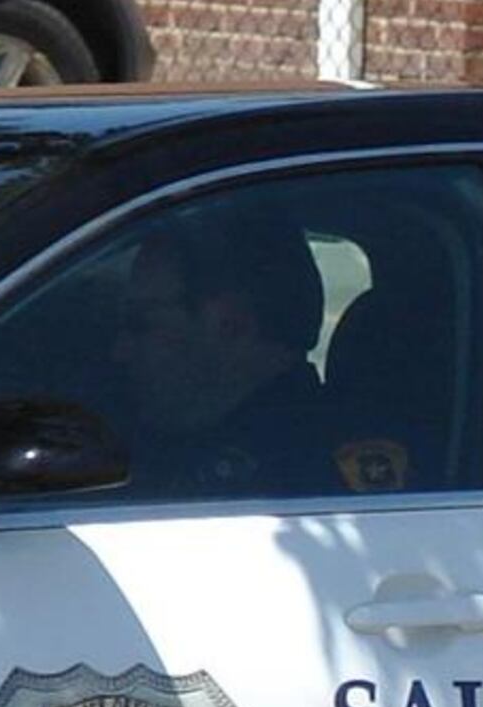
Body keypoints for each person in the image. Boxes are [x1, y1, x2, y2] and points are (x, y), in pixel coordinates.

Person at [110, 209, 342, 501]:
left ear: (231, 323)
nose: (120, 351)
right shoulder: (167, 439)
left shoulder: (303, 475)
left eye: (140, 323)